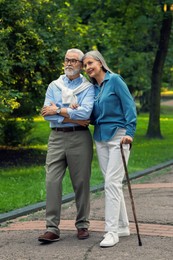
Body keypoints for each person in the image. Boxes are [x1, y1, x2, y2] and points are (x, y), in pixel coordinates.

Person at [38, 48, 94, 243]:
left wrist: (59, 110)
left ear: (81, 65)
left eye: (74, 61)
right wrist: (72, 115)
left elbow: (86, 113)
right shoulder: (54, 85)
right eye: (66, 60)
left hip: (80, 139)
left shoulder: (87, 88)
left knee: (81, 183)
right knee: (52, 181)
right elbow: (47, 114)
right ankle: (52, 228)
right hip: (56, 138)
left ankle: (82, 225)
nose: (69, 63)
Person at [83, 50, 137, 248]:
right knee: (112, 183)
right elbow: (95, 117)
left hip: (119, 136)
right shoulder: (93, 89)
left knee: (111, 183)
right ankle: (123, 226)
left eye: (90, 63)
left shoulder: (115, 80)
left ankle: (111, 232)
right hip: (100, 138)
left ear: (100, 62)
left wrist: (130, 132)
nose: (88, 68)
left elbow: (130, 107)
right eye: (85, 65)